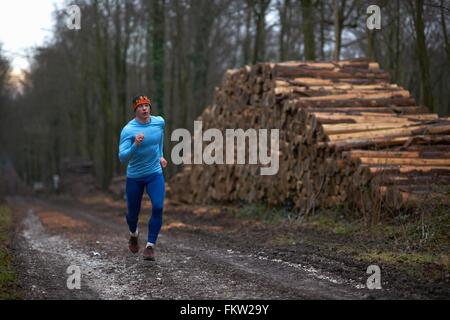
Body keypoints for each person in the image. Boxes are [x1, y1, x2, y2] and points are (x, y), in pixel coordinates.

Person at [118, 95, 167, 261]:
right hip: (135, 177)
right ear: (135, 110)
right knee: (133, 214)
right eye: (141, 106)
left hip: (154, 173)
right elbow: (122, 157)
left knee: (159, 206)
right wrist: (135, 145)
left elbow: (159, 141)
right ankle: (133, 234)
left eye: (147, 105)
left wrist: (160, 156)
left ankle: (150, 246)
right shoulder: (128, 130)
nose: (145, 108)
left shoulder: (159, 122)